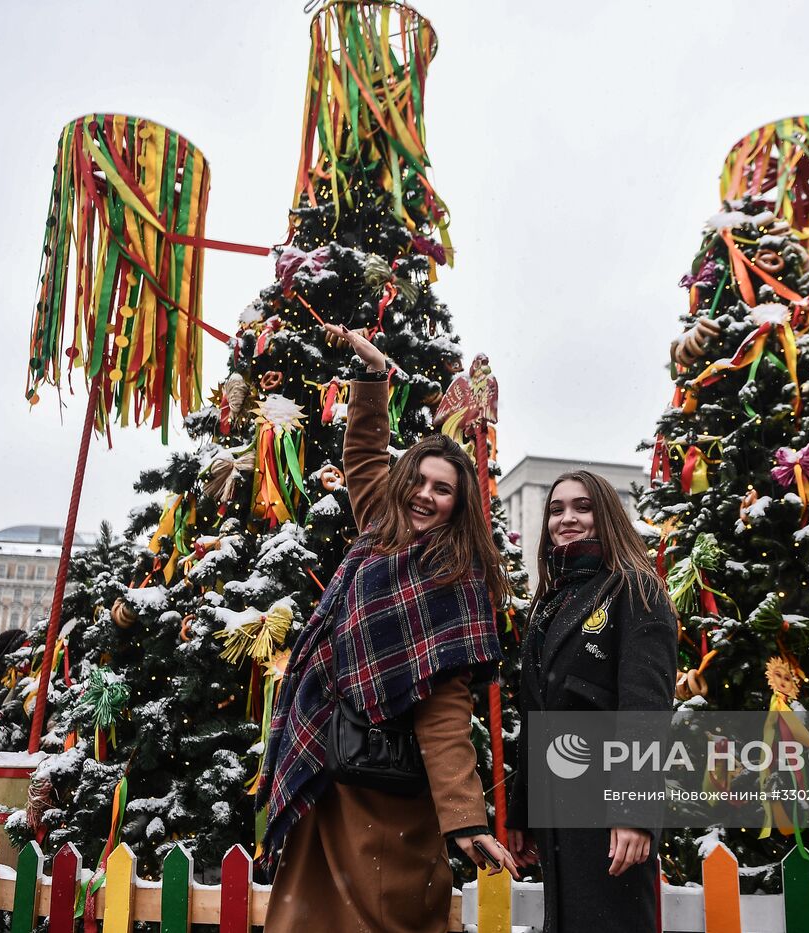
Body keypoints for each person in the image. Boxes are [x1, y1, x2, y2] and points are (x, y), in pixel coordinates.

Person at [258, 323, 518, 933]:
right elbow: (365, 453)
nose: (426, 496)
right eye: (420, 482)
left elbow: (447, 711)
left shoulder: (455, 578)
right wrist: (374, 376)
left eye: (443, 489)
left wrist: (465, 820)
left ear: (460, 504)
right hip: (328, 770)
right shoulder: (381, 522)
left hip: (387, 797)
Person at [505, 472, 678, 931]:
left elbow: (646, 710)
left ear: (606, 515)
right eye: (557, 510)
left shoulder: (635, 590)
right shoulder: (548, 603)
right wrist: (522, 810)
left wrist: (635, 813)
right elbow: (534, 713)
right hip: (557, 811)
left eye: (582, 507)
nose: (568, 519)